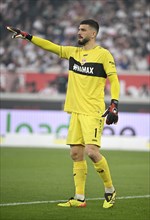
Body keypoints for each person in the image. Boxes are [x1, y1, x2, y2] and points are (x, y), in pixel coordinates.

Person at [7, 19, 120, 209]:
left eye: (83, 30)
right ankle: (79, 198)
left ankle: (110, 191)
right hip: (75, 110)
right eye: (78, 29)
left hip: (93, 111)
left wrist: (114, 104)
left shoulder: (103, 55)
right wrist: (28, 36)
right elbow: (51, 46)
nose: (79, 32)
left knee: (92, 152)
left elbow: (114, 79)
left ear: (93, 34)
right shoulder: (73, 52)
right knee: (76, 153)